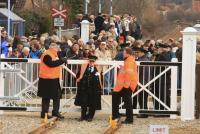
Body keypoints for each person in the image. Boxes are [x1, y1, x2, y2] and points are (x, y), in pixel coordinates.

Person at [37, 42, 67, 119]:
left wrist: (62, 58)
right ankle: (45, 113)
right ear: (54, 48)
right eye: (58, 47)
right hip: (47, 79)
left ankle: (54, 112)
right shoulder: (47, 54)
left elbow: (61, 55)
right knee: (46, 97)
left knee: (56, 96)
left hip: (53, 78)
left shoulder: (53, 53)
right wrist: (62, 60)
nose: (59, 49)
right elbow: (50, 64)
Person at [112, 47, 138, 124]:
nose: (123, 54)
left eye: (124, 53)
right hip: (122, 85)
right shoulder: (128, 60)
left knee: (127, 102)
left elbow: (129, 74)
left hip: (126, 85)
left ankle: (129, 119)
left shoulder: (129, 61)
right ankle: (116, 116)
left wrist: (126, 86)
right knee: (122, 100)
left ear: (127, 53)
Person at [75, 55, 102, 122]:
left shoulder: (98, 68)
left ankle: (90, 116)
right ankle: (83, 116)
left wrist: (100, 87)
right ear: (88, 61)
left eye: (93, 61)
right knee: (83, 103)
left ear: (94, 62)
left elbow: (100, 78)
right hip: (85, 88)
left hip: (94, 89)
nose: (91, 63)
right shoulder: (83, 68)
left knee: (92, 103)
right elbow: (78, 76)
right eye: (90, 61)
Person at [133, 47, 150, 118]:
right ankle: (143, 112)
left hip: (142, 82)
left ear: (142, 53)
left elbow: (139, 72)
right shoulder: (145, 59)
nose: (137, 54)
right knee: (142, 98)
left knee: (142, 98)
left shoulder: (142, 60)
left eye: (138, 52)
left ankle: (144, 113)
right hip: (144, 82)